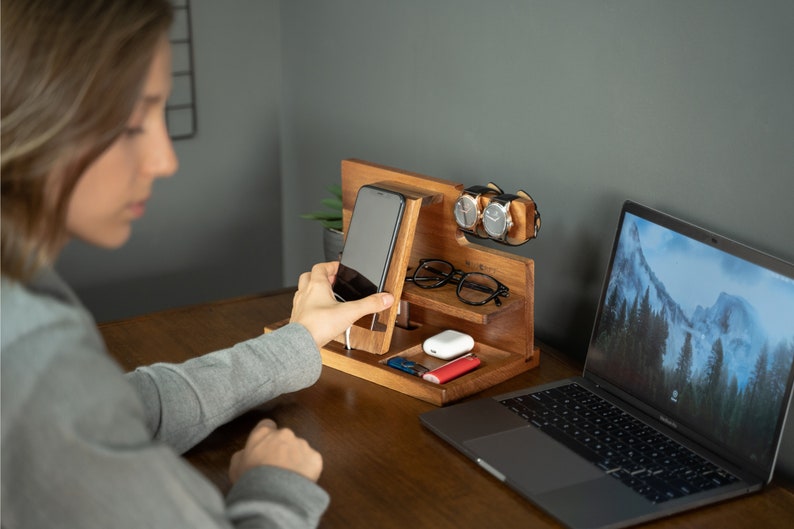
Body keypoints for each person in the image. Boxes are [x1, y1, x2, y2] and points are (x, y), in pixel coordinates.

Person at [0, 1, 394, 528]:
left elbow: (125, 407)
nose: (165, 159)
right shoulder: (33, 353)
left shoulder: (22, 302)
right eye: (134, 122)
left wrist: (296, 340)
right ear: (36, 109)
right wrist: (278, 484)